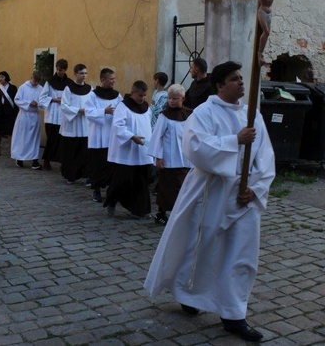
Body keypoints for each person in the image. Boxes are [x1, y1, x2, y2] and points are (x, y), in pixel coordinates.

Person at [144, 61, 276, 342]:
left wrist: (255, 187)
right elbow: (195, 147)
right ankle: (189, 293)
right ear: (219, 85)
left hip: (244, 197)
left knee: (242, 257)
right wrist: (234, 140)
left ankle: (234, 314)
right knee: (202, 250)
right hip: (211, 192)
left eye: (242, 78)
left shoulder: (253, 115)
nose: (241, 82)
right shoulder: (204, 112)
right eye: (234, 79)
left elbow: (265, 155)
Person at [103, 80, 153, 218]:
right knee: (122, 181)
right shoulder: (123, 107)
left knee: (141, 182)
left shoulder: (146, 108)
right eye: (139, 95)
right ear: (132, 93)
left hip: (142, 152)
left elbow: (148, 125)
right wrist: (131, 137)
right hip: (126, 152)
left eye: (144, 95)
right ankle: (112, 201)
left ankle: (140, 210)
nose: (142, 98)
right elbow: (118, 126)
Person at [234, 0, 296, 66]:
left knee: (268, 33)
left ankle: (261, 54)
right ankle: (259, 54)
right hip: (262, 11)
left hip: (269, 12)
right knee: (266, 32)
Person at [146, 84, 192, 225]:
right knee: (167, 188)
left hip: (185, 158)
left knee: (184, 186)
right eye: (170, 98)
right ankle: (162, 212)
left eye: (175, 98)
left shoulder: (190, 114)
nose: (171, 101)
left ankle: (180, 213)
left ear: (183, 98)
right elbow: (156, 137)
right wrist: (158, 157)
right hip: (169, 159)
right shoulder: (164, 116)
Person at [85, 68, 122, 203]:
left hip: (111, 135)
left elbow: (122, 110)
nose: (113, 81)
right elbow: (89, 112)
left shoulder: (117, 96)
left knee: (110, 165)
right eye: (111, 79)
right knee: (97, 164)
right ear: (102, 80)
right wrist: (103, 111)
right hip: (98, 135)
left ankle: (109, 189)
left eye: (114, 78)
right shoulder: (93, 96)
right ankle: (96, 190)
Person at [60, 64, 91, 184]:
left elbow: (92, 104)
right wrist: (78, 110)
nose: (84, 76)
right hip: (72, 125)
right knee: (72, 151)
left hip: (84, 125)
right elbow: (64, 105)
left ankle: (87, 175)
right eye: (81, 73)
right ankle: (71, 175)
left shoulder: (90, 89)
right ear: (75, 74)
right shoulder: (68, 89)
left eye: (85, 73)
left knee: (85, 152)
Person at [38, 59, 71, 170]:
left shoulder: (70, 83)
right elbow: (41, 98)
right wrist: (53, 99)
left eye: (60, 70)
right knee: (51, 139)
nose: (58, 72)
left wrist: (65, 101)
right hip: (52, 115)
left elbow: (73, 98)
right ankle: (47, 160)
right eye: (57, 69)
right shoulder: (50, 82)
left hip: (63, 116)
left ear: (65, 69)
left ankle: (62, 161)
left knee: (62, 140)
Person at [11, 71, 43, 170]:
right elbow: (17, 99)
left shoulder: (41, 89)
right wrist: (29, 103)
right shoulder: (23, 87)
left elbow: (43, 101)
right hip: (25, 116)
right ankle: (20, 158)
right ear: (31, 77)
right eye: (35, 80)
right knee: (22, 138)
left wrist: (38, 104)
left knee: (34, 139)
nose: (36, 83)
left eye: (38, 81)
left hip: (35, 116)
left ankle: (34, 160)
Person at [0, 71, 18, 156]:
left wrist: (16, 113)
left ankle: (12, 150)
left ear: (6, 77)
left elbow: (16, 101)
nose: (0, 78)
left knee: (10, 132)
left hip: (10, 113)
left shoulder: (13, 88)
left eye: (2, 77)